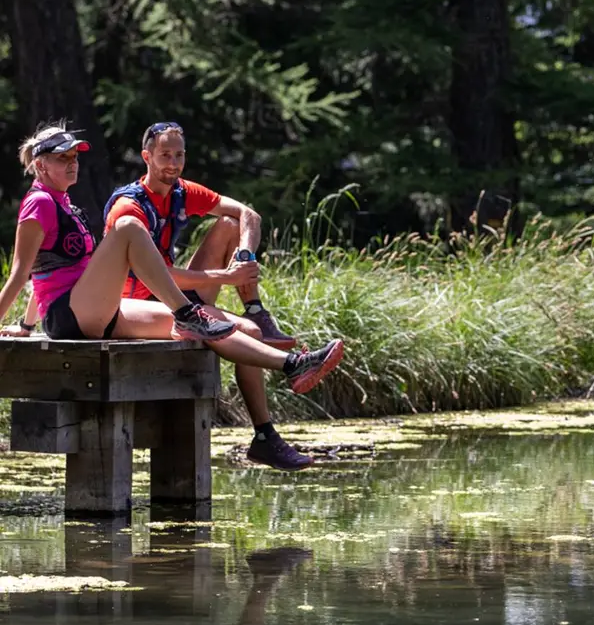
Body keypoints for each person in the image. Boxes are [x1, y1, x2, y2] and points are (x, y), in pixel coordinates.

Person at [0, 122, 345, 417]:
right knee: (128, 228)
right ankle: (185, 312)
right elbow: (20, 273)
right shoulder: (39, 203)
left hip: (94, 309)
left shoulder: (63, 202)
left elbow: (46, 273)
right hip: (70, 316)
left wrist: (26, 325)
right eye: (63, 159)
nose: (73, 164)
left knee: (211, 325)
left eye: (75, 157)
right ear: (41, 165)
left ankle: (293, 365)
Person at [104, 122, 326, 470]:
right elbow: (156, 273)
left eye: (179, 155)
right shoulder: (129, 207)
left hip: (172, 297)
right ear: (146, 157)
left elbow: (249, 215)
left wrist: (244, 257)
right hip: (136, 306)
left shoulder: (181, 191)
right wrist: (226, 277)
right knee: (249, 333)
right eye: (165, 155)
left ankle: (255, 307)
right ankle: (266, 434)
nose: (173, 164)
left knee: (230, 225)